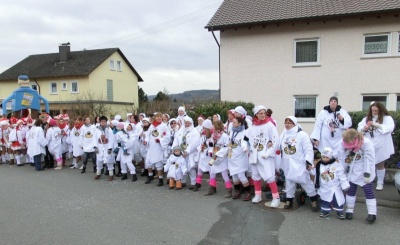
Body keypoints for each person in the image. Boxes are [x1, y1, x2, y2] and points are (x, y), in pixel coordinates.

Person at [279, 116, 319, 211]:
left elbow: (308, 149)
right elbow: (279, 145)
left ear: (294, 124)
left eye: (290, 123)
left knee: (304, 180)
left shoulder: (302, 135)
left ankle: (313, 199)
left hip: (299, 162)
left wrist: (308, 161)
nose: (287, 125)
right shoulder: (284, 134)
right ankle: (289, 199)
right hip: (287, 162)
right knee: (289, 180)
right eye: (286, 123)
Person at [338, 128, 377, 223]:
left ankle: (372, 213)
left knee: (368, 191)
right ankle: (349, 211)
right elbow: (341, 157)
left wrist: (367, 173)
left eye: (348, 141)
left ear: (354, 138)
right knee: (350, 190)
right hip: (351, 169)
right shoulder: (342, 142)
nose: (346, 142)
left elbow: (369, 159)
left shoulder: (366, 143)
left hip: (364, 169)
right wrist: (342, 171)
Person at [246, 105, 280, 208]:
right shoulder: (252, 126)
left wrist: (268, 152)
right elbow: (245, 138)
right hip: (254, 155)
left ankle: (276, 198)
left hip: (265, 155)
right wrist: (246, 148)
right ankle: (258, 195)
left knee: (269, 176)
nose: (262, 115)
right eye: (260, 113)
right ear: (256, 114)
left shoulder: (269, 125)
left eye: (264, 113)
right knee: (255, 175)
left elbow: (276, 140)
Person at [357, 102, 394, 191]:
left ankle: (380, 182)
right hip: (370, 144)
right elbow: (359, 128)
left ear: (380, 110)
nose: (374, 112)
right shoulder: (367, 118)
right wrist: (363, 128)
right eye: (372, 110)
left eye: (376, 110)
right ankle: (367, 181)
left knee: (380, 164)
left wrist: (376, 124)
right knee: (367, 163)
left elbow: (390, 128)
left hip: (381, 144)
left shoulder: (387, 118)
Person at [315, 147, 349, 219]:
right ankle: (325, 211)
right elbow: (316, 174)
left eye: (327, 157)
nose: (325, 159)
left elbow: (341, 174)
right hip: (325, 186)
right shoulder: (319, 165)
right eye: (323, 157)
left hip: (335, 186)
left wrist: (344, 183)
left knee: (337, 199)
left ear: (330, 157)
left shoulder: (336, 164)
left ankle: (339, 212)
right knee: (325, 199)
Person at [203, 120, 232, 197]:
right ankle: (212, 189)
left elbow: (227, 147)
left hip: (222, 158)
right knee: (212, 173)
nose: (213, 127)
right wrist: (210, 151)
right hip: (214, 158)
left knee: (224, 174)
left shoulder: (225, 136)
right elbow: (211, 145)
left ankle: (229, 190)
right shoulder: (213, 136)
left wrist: (218, 154)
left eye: (214, 126)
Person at [172, 116, 201, 189]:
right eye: (186, 123)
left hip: (190, 153)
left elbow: (195, 143)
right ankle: (183, 181)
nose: (187, 124)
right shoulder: (181, 131)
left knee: (191, 168)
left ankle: (193, 183)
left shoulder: (194, 132)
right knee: (182, 167)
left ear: (191, 123)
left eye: (188, 123)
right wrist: (175, 149)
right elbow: (176, 140)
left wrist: (187, 151)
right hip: (180, 152)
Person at [228, 116, 251, 201]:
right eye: (232, 122)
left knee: (241, 175)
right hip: (232, 157)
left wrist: (245, 148)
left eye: (234, 122)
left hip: (240, 156)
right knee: (234, 176)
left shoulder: (244, 132)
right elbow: (229, 142)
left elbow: (244, 142)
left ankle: (247, 192)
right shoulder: (231, 132)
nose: (232, 124)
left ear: (240, 123)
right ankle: (237, 191)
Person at [144, 112, 170, 186]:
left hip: (158, 147)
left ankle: (161, 179)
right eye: (157, 117)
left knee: (158, 163)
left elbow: (167, 137)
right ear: (155, 118)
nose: (158, 118)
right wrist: (146, 141)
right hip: (151, 147)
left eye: (160, 116)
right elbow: (148, 135)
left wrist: (160, 140)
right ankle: (150, 176)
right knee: (148, 162)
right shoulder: (152, 126)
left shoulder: (164, 126)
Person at [94, 116, 115, 181]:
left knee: (109, 161)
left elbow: (111, 139)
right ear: (100, 122)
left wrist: (110, 148)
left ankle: (111, 174)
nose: (103, 122)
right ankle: (98, 174)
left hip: (107, 147)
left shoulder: (109, 130)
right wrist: (95, 147)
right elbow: (94, 139)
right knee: (99, 161)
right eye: (102, 121)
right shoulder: (97, 130)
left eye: (104, 121)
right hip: (100, 148)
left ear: (106, 122)